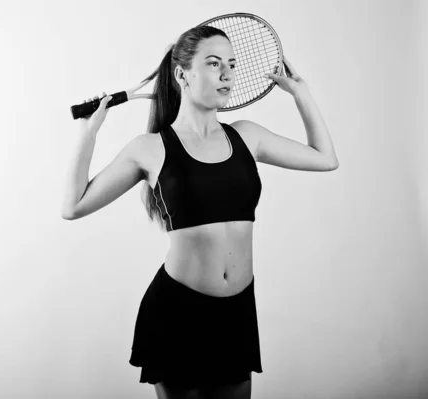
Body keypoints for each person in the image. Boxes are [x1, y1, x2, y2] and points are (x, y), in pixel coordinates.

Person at [61, 25, 338, 399]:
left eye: (232, 64)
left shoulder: (247, 136)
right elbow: (73, 207)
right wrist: (88, 132)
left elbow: (325, 159)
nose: (227, 74)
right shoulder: (149, 148)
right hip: (177, 313)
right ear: (182, 75)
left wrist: (301, 94)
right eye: (213, 64)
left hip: (237, 312)